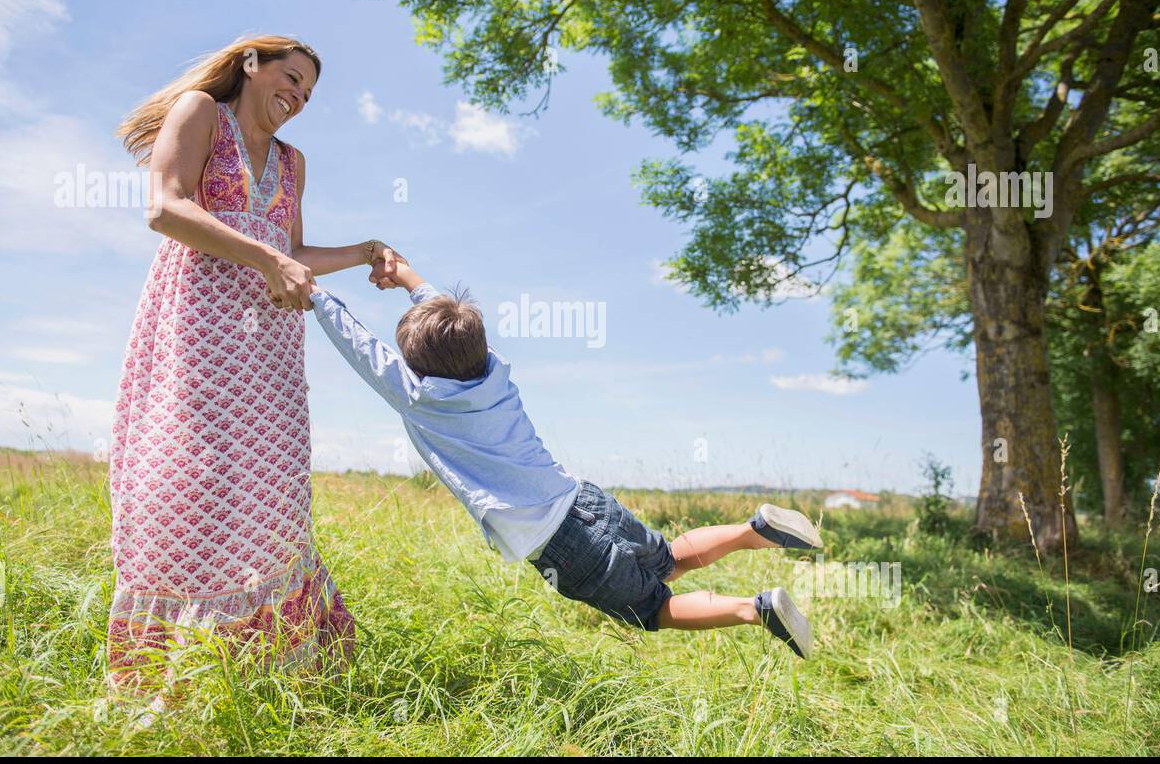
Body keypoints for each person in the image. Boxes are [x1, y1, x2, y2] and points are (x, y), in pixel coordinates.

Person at [308, 260, 819, 657]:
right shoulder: (493, 371)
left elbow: (363, 352)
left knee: (651, 609)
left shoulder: (424, 399)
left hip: (559, 541)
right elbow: (449, 322)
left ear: (417, 369)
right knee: (667, 559)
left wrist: (312, 292)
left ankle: (756, 610)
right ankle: (756, 530)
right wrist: (409, 277)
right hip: (584, 499)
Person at [108, 34, 402, 687]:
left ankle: (265, 675)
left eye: (307, 91)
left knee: (271, 495)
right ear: (249, 64)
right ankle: (170, 676)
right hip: (199, 333)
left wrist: (362, 251)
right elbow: (166, 206)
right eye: (290, 78)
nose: (297, 96)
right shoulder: (200, 113)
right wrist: (268, 259)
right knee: (192, 483)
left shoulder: (294, 163)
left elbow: (292, 247)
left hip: (268, 352)